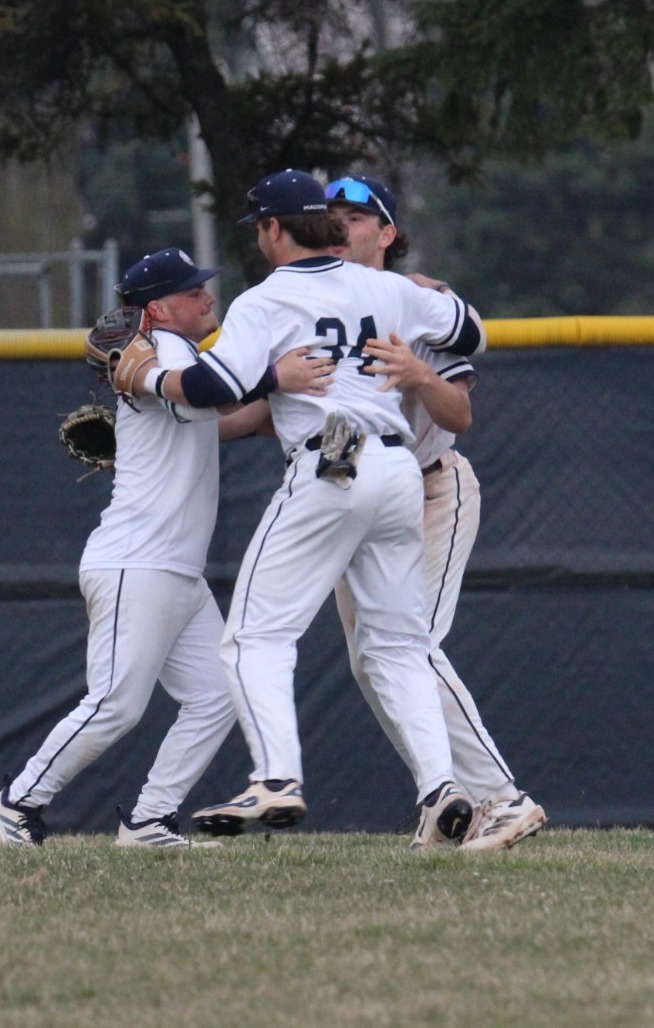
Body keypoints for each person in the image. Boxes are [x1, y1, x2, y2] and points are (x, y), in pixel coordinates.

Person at [109, 169, 486, 851]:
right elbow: (469, 334)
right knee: (400, 646)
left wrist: (146, 375)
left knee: (253, 636)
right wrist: (423, 299)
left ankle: (277, 775)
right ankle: (440, 787)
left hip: (330, 463)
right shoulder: (387, 287)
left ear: (274, 229)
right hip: (397, 468)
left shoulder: (265, 299)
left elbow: (206, 388)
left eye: (260, 225)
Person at [0, 246, 331, 849]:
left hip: (174, 572)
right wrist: (273, 379)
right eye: (194, 291)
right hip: (136, 562)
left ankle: (149, 819)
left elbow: (218, 420)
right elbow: (206, 395)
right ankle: (16, 803)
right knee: (116, 703)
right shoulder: (168, 353)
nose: (208, 297)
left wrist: (274, 405)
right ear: (161, 309)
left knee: (217, 697)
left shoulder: (182, 357)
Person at [324, 174, 547, 852]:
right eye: (330, 213)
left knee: (408, 647)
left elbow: (460, 414)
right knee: (372, 662)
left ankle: (502, 801)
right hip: (350, 498)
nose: (340, 223)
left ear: (387, 233)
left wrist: (418, 373)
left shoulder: (424, 303)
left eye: (356, 215)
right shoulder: (314, 305)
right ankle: (448, 803)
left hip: (429, 491)